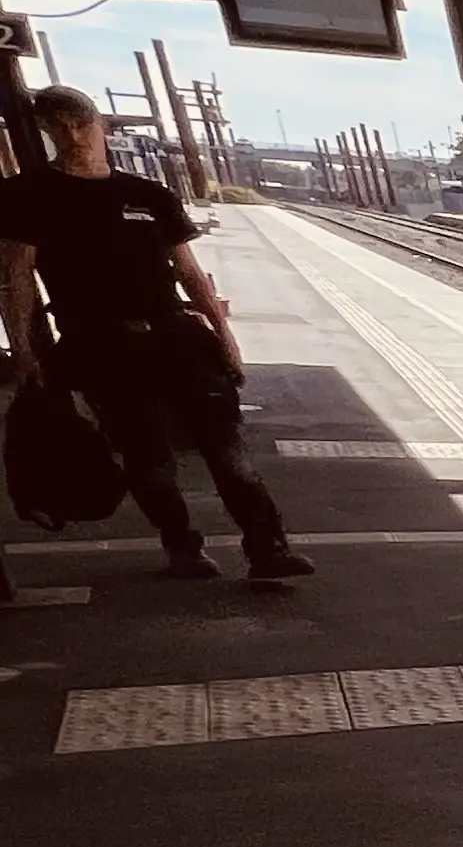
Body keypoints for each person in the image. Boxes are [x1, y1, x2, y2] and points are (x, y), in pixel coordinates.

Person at [0, 86, 307, 581]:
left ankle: (268, 548)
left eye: (81, 124)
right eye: (60, 127)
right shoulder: (29, 194)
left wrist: (226, 339)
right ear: (47, 132)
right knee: (146, 457)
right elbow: (17, 276)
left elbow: (189, 272)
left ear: (101, 126)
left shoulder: (149, 195)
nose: (73, 136)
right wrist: (25, 349)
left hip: (177, 337)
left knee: (229, 451)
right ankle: (183, 549)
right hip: (100, 344)